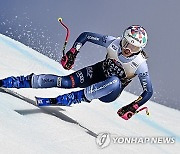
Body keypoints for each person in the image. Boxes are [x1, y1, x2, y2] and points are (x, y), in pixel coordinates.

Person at [0, 25, 153, 120]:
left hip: (110, 92)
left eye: (133, 48)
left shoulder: (140, 64)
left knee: (115, 81)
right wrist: (73, 52)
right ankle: (13, 82)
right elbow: (86, 35)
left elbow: (148, 91)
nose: (127, 50)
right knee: (65, 82)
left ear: (140, 50)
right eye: (126, 43)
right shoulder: (113, 42)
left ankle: (75, 98)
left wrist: (133, 106)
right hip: (97, 72)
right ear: (122, 39)